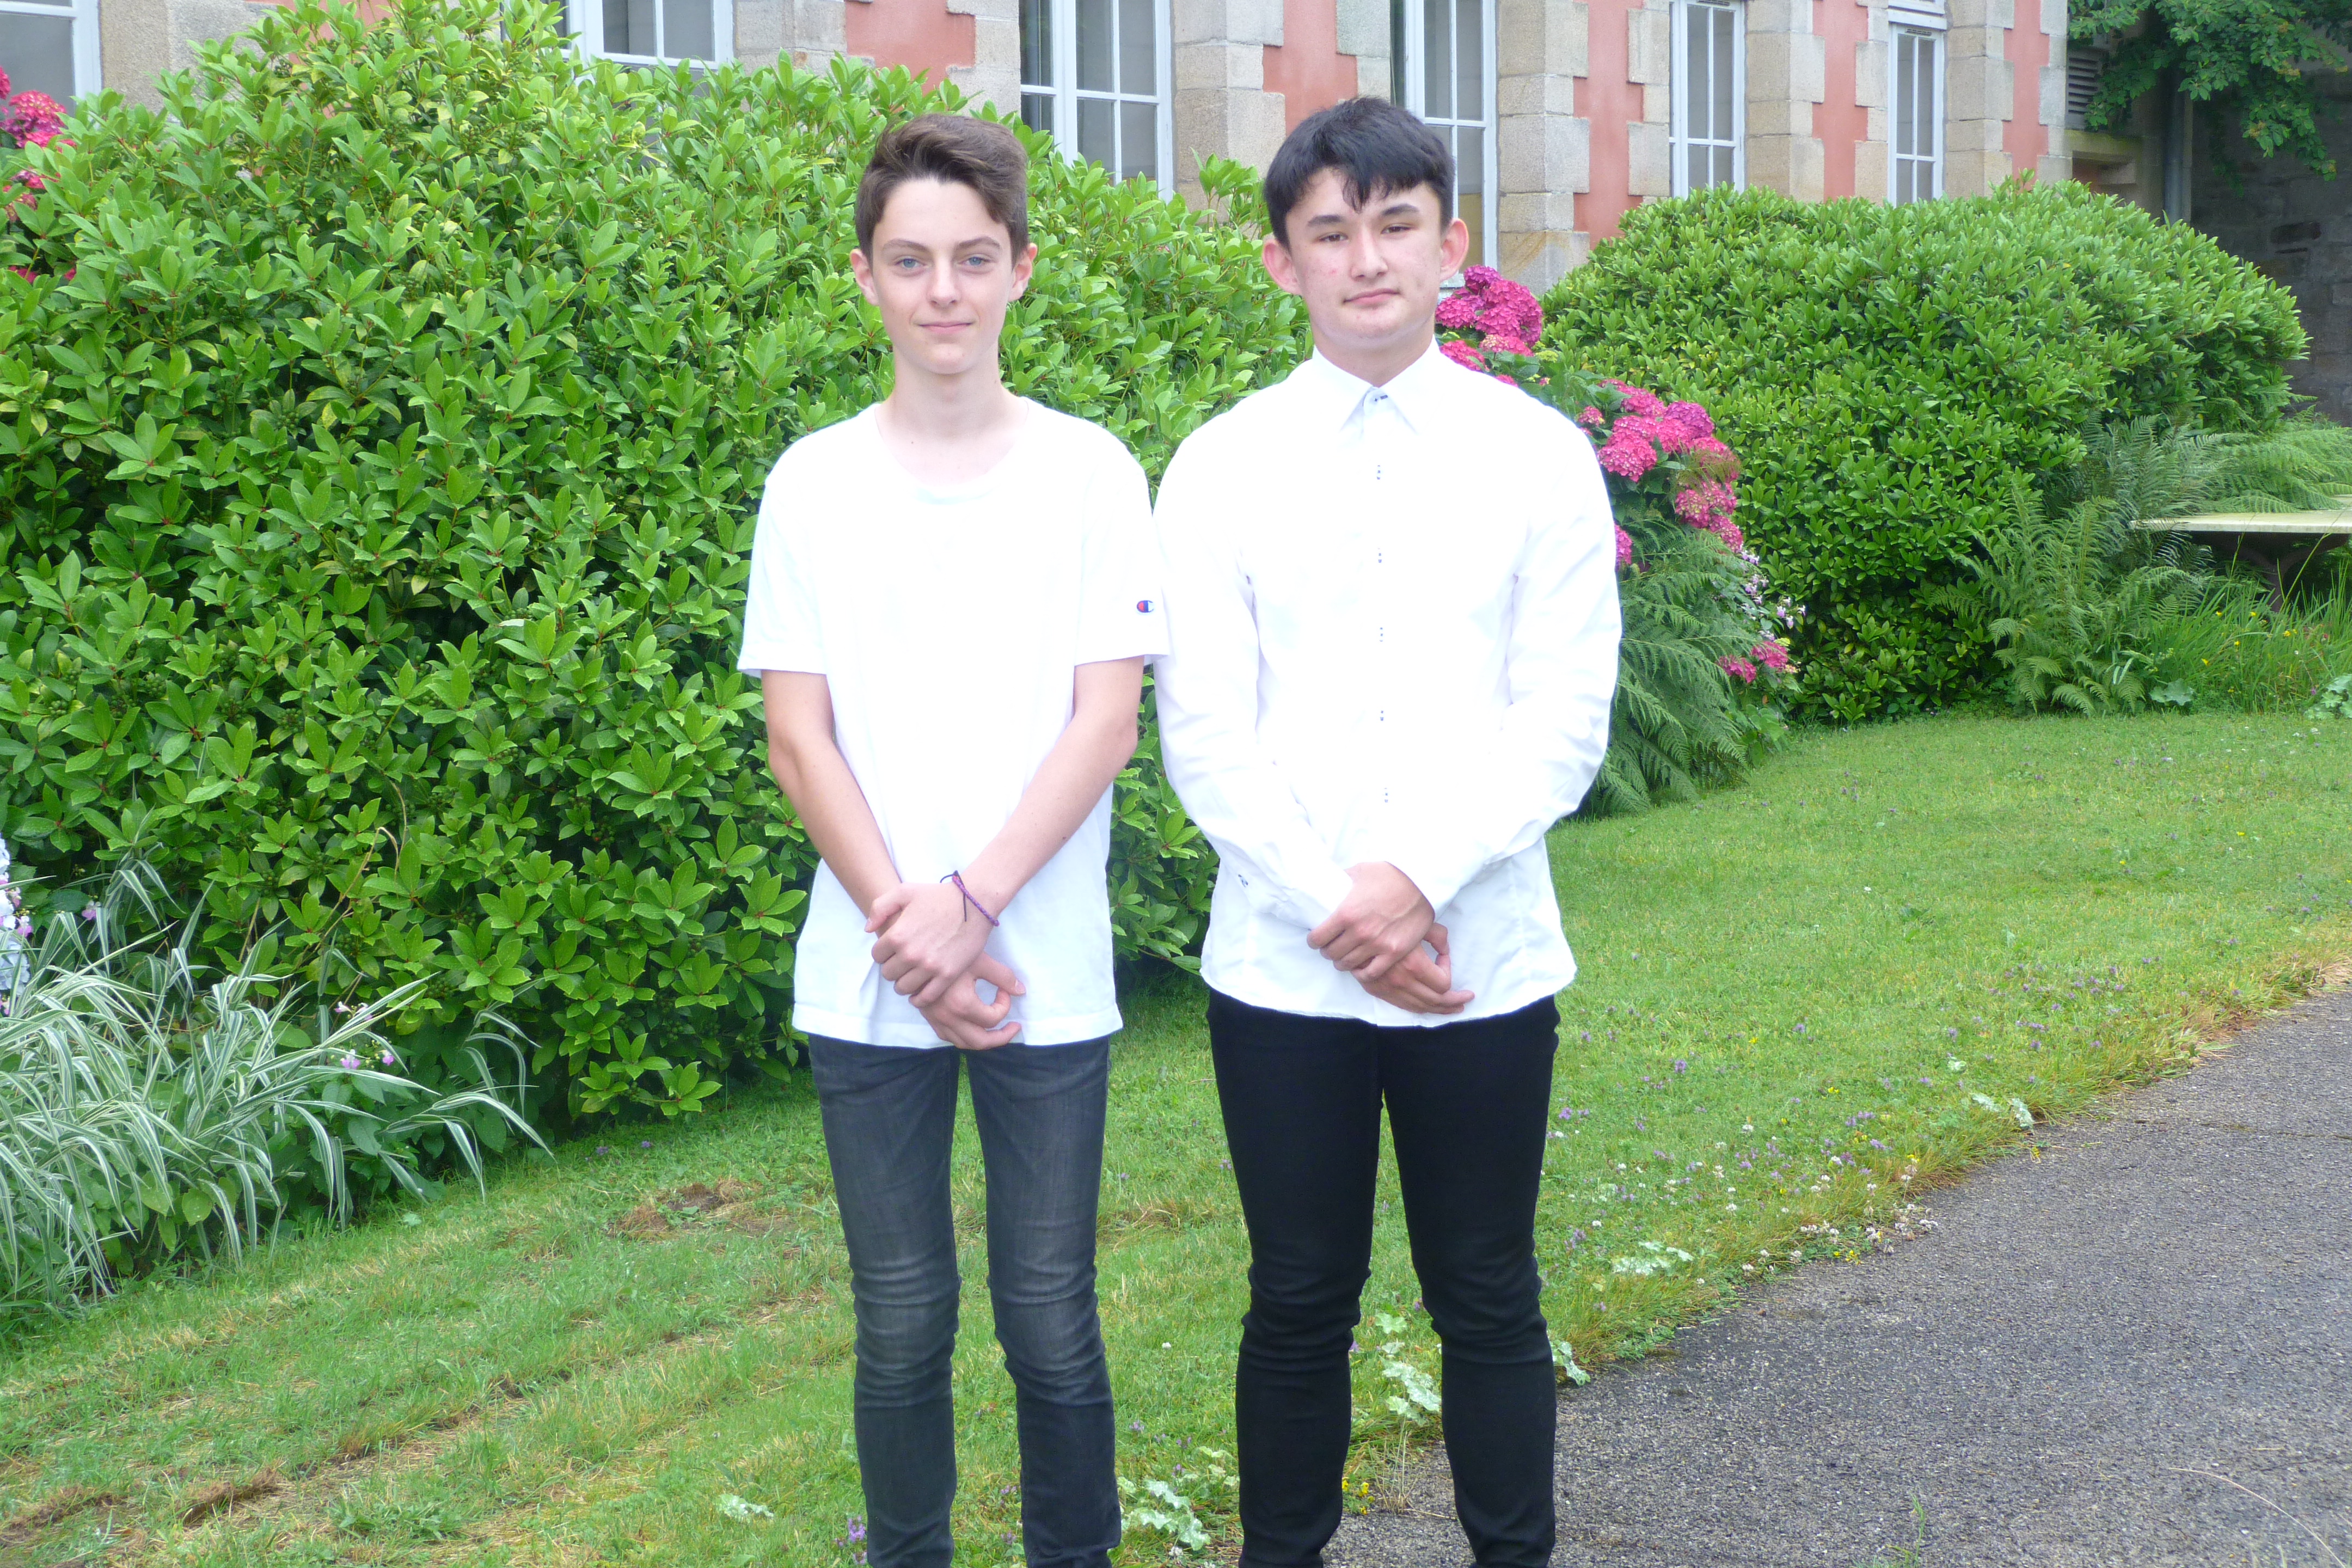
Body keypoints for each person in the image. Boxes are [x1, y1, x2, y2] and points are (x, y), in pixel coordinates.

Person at [1150, 97, 1623, 1568]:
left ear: (1451, 244)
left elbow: (1563, 718)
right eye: (1331, 233)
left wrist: (1412, 883)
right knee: (1298, 1300)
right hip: (1281, 972)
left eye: (1396, 226)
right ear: (1282, 261)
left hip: (1481, 962)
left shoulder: (1536, 456)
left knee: (1487, 1292)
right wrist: (1340, 911)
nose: (1367, 260)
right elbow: (1206, 735)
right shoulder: (1219, 465)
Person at [737, 113, 1163, 1568]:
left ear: (1021, 269)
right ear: (865, 275)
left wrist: (970, 906)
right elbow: (801, 738)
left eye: (973, 259)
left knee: (1050, 1320)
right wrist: (913, 936)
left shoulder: (1093, 473)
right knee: (904, 1321)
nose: (943, 291)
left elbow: (1105, 723)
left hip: (1044, 969)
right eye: (911, 261)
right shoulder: (811, 483)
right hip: (869, 975)